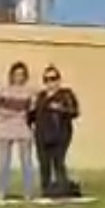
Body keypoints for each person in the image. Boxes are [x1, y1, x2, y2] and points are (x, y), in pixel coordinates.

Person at [31, 66, 81, 199]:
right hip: (42, 135)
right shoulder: (40, 97)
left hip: (60, 135)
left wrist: (61, 109)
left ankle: (63, 189)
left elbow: (75, 111)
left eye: (53, 79)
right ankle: (46, 190)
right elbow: (32, 116)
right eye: (47, 79)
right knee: (44, 164)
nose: (50, 83)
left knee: (58, 162)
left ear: (58, 80)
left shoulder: (66, 95)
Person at [0, 62, 37, 201]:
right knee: (4, 163)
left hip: (23, 129)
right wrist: (15, 113)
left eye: (22, 74)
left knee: (26, 162)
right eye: (16, 74)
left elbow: (31, 110)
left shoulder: (30, 92)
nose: (19, 77)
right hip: (5, 129)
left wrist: (15, 112)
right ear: (11, 75)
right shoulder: (3, 90)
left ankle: (28, 193)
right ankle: (2, 193)